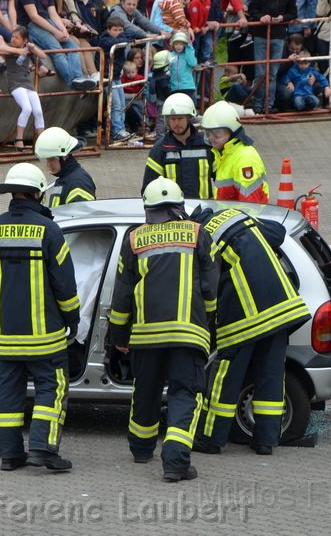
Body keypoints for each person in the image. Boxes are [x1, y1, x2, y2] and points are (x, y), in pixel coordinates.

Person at [0, 162, 80, 472]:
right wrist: (72, 317)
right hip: (45, 336)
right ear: (38, 194)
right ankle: (43, 450)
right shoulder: (48, 230)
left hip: (5, 336)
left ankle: (9, 455)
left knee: (7, 394)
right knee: (51, 388)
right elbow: (65, 283)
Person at [108, 177, 218, 482]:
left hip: (145, 336)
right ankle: (176, 462)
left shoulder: (133, 239)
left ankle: (142, 449)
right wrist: (209, 326)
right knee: (185, 393)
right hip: (188, 334)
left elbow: (123, 294)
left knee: (146, 391)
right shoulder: (198, 233)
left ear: (147, 208)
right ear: (180, 205)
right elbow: (209, 288)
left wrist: (118, 337)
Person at [191, 205, 310, 457]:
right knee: (271, 375)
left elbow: (203, 282)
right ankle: (266, 441)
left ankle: (211, 440)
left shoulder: (200, 235)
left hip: (244, 315)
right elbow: (277, 233)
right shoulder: (235, 215)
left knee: (225, 377)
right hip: (281, 309)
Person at [15, 0, 91, 90]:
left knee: (73, 47)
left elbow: (53, 13)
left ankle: (78, 78)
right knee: (57, 50)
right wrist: (55, 32)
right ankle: (72, 82)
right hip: (31, 26)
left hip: (47, 21)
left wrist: (63, 30)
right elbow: (34, 17)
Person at [247, 0, 298, 113]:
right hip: (261, 34)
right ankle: (257, 105)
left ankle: (268, 106)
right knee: (260, 72)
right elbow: (252, 9)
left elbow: (293, 13)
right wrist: (261, 17)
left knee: (273, 73)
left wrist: (282, 18)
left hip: (278, 35)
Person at [142, 93, 213, 199]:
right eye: (172, 119)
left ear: (188, 118)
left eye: (180, 118)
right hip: (174, 212)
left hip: (204, 211)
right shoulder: (160, 149)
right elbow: (149, 188)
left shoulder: (206, 145)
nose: (176, 123)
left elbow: (222, 178)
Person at [201, 101, 270, 203]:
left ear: (232, 131)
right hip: (228, 217)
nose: (212, 138)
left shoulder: (245, 160)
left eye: (218, 133)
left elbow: (250, 207)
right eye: (208, 133)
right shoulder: (223, 154)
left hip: (242, 218)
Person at [0, 25, 48, 151]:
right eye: (12, 36)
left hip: (27, 84)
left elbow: (43, 56)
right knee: (27, 108)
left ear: (24, 40)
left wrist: (32, 48)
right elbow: (0, 47)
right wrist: (18, 51)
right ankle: (19, 139)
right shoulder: (10, 48)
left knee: (38, 111)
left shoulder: (27, 49)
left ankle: (42, 140)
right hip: (15, 84)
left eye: (17, 38)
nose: (13, 39)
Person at [35, 126, 95, 207]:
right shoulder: (65, 178)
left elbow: (79, 217)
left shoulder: (77, 183)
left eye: (52, 159)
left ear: (65, 157)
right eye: (46, 160)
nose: (48, 164)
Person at [97, 16, 135, 142]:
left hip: (116, 75)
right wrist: (124, 38)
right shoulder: (104, 39)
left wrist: (124, 37)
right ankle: (117, 131)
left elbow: (131, 35)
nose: (118, 32)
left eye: (120, 30)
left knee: (122, 104)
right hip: (108, 76)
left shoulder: (120, 38)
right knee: (115, 104)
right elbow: (111, 43)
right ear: (108, 30)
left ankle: (122, 129)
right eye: (115, 30)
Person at [167, 30, 198, 101]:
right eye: (176, 44)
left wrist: (189, 47)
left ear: (184, 45)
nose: (178, 46)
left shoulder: (187, 54)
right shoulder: (170, 55)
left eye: (181, 44)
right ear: (173, 45)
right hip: (174, 87)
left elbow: (193, 63)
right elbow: (169, 70)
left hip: (187, 87)